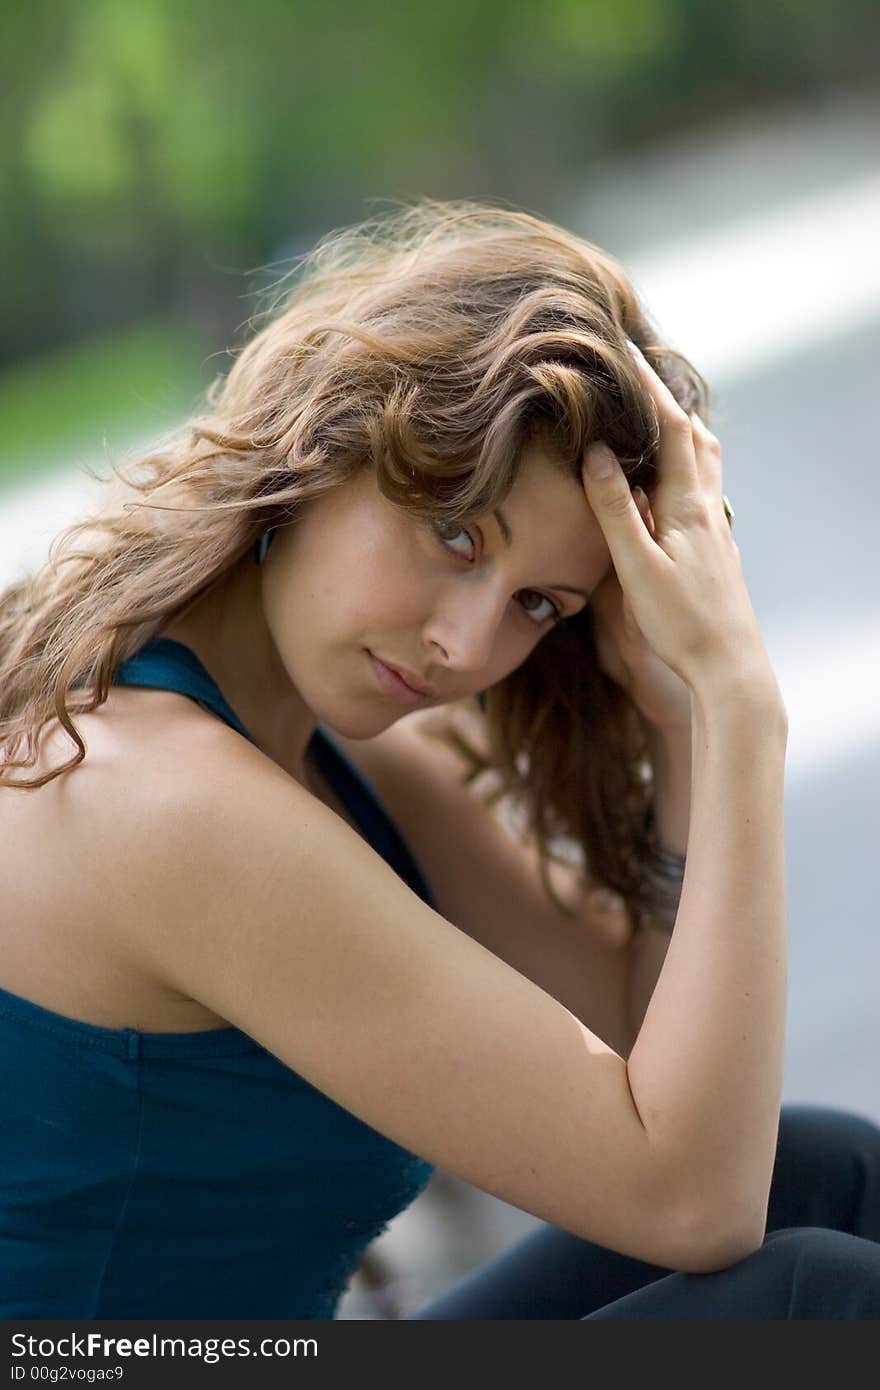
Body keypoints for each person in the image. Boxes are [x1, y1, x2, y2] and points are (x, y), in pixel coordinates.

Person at [0, 199, 878, 1321]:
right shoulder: (168, 803)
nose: (468, 646)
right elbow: (693, 1199)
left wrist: (679, 721)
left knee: (828, 1176)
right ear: (329, 444)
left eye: (538, 605)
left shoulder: (332, 758)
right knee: (809, 1301)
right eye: (457, 534)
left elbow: (649, 1050)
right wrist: (743, 707)